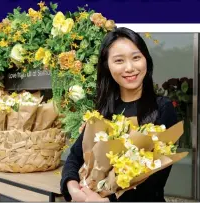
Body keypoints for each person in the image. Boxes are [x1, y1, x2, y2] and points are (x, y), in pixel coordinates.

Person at [60, 27, 178, 202]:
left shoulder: (162, 109)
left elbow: (155, 180)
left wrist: (107, 201)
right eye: (119, 60)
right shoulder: (102, 111)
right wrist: (72, 187)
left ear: (146, 60)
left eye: (136, 57)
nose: (129, 68)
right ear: (107, 66)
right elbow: (75, 157)